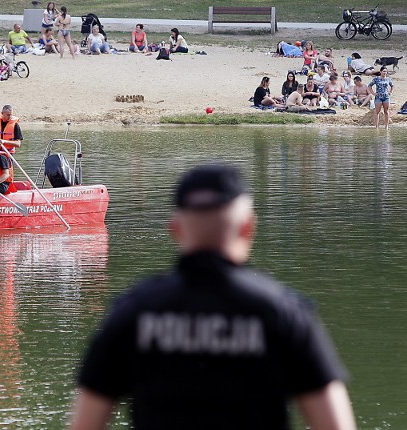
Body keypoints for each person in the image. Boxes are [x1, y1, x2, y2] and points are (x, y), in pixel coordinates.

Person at [71, 163, 357, 430]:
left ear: (175, 229)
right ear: (248, 227)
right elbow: (334, 422)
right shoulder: (284, 313)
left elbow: (86, 421)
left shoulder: (132, 312)